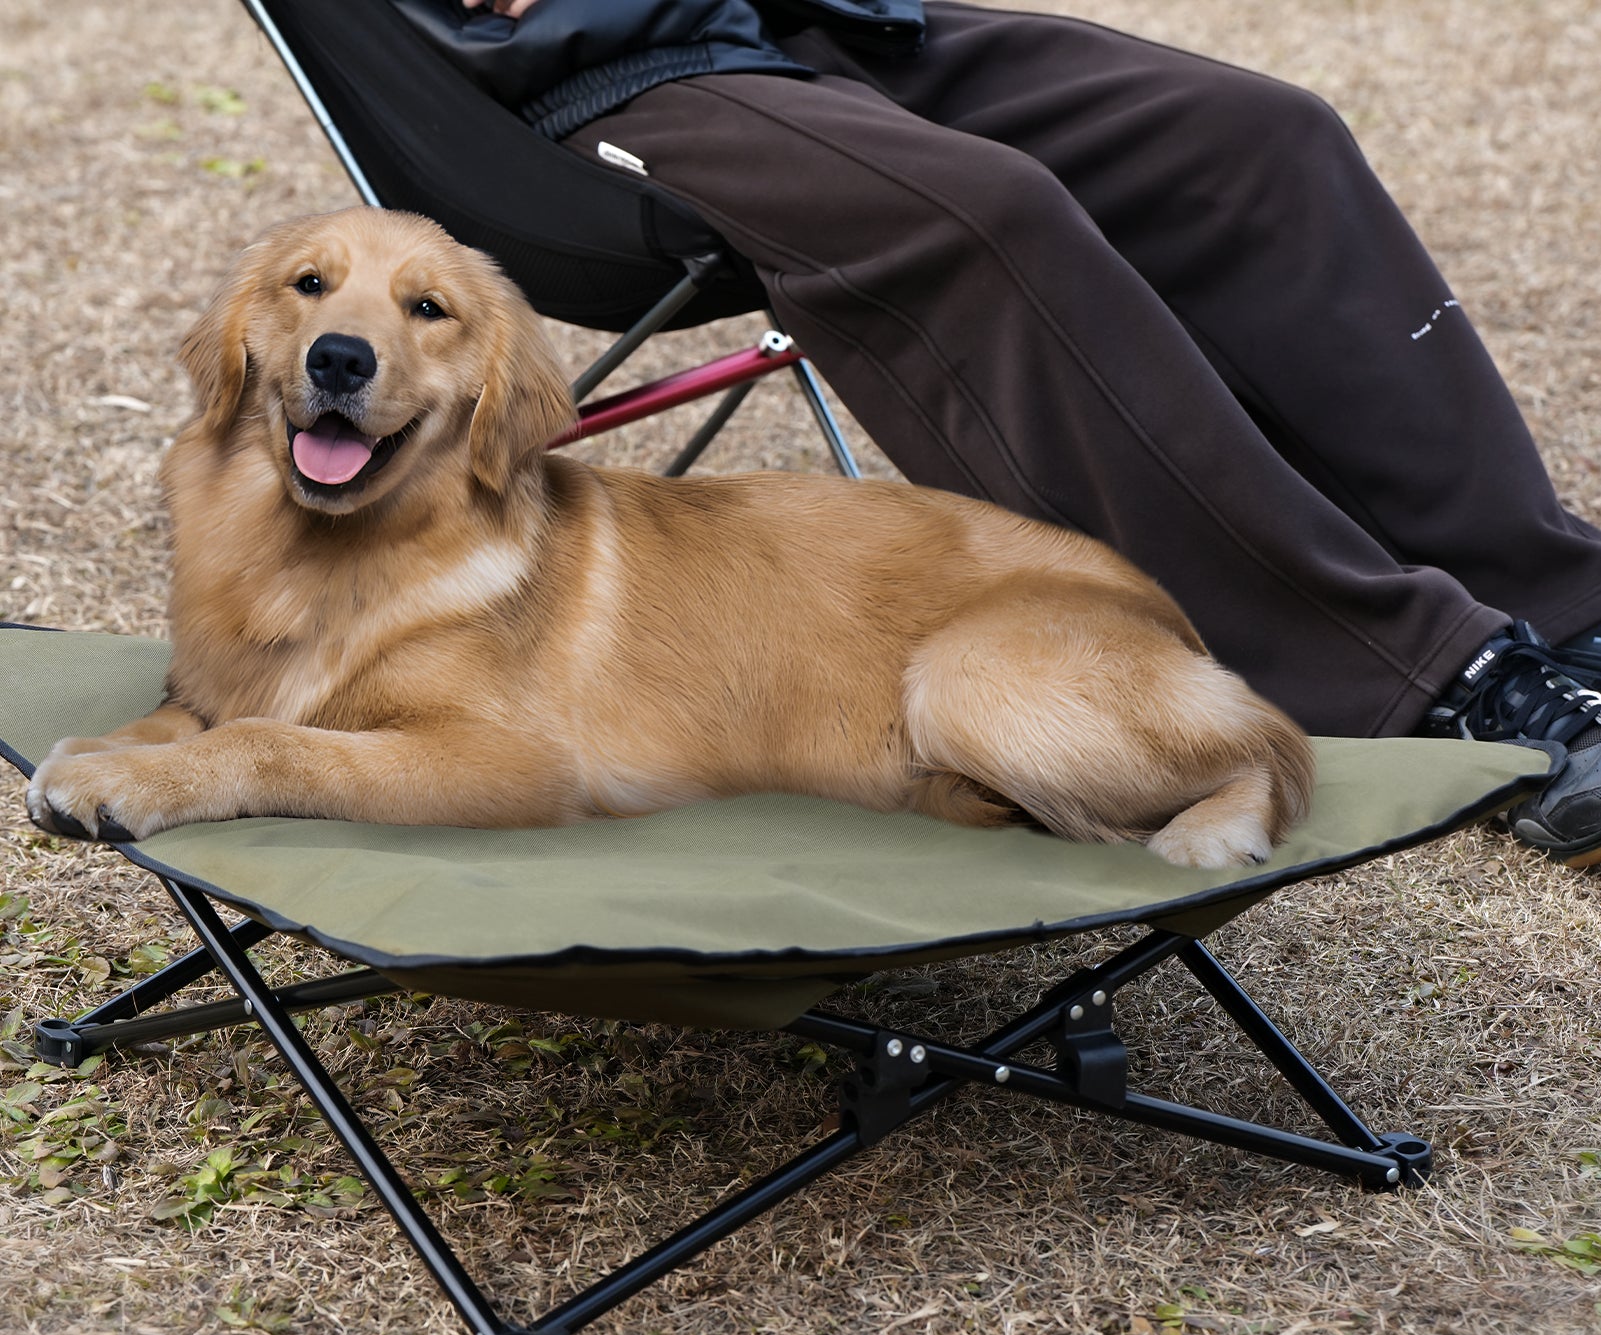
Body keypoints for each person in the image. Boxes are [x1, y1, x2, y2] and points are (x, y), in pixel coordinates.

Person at [444, 0, 1601, 866]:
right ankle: (1427, 680)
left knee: (1255, 140)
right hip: (586, 76)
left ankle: (1548, 596)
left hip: (786, 17)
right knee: (990, 222)